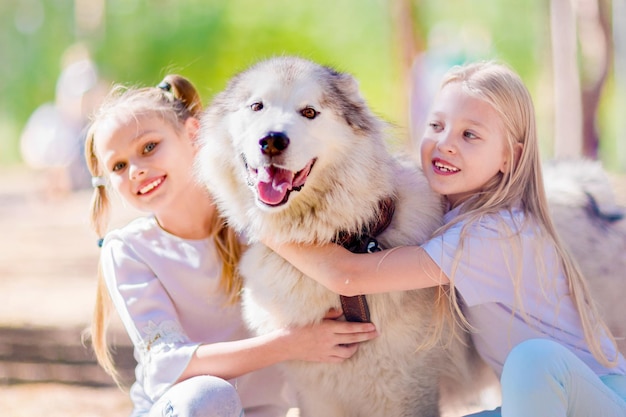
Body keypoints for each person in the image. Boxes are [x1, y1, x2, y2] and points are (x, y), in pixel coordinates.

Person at [262, 61, 626, 417]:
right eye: (436, 125)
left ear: (508, 157)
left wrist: (265, 225)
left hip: (595, 401)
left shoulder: (494, 234)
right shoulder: (456, 217)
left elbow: (350, 276)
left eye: (470, 135)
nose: (445, 144)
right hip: (537, 402)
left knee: (533, 360)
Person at [83, 74, 378, 417]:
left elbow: (339, 271)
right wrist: (293, 343)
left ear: (194, 134)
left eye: (149, 147)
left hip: (264, 411)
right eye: (118, 165)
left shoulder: (259, 220)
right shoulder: (128, 249)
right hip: (187, 409)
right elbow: (167, 367)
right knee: (207, 396)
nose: (135, 170)